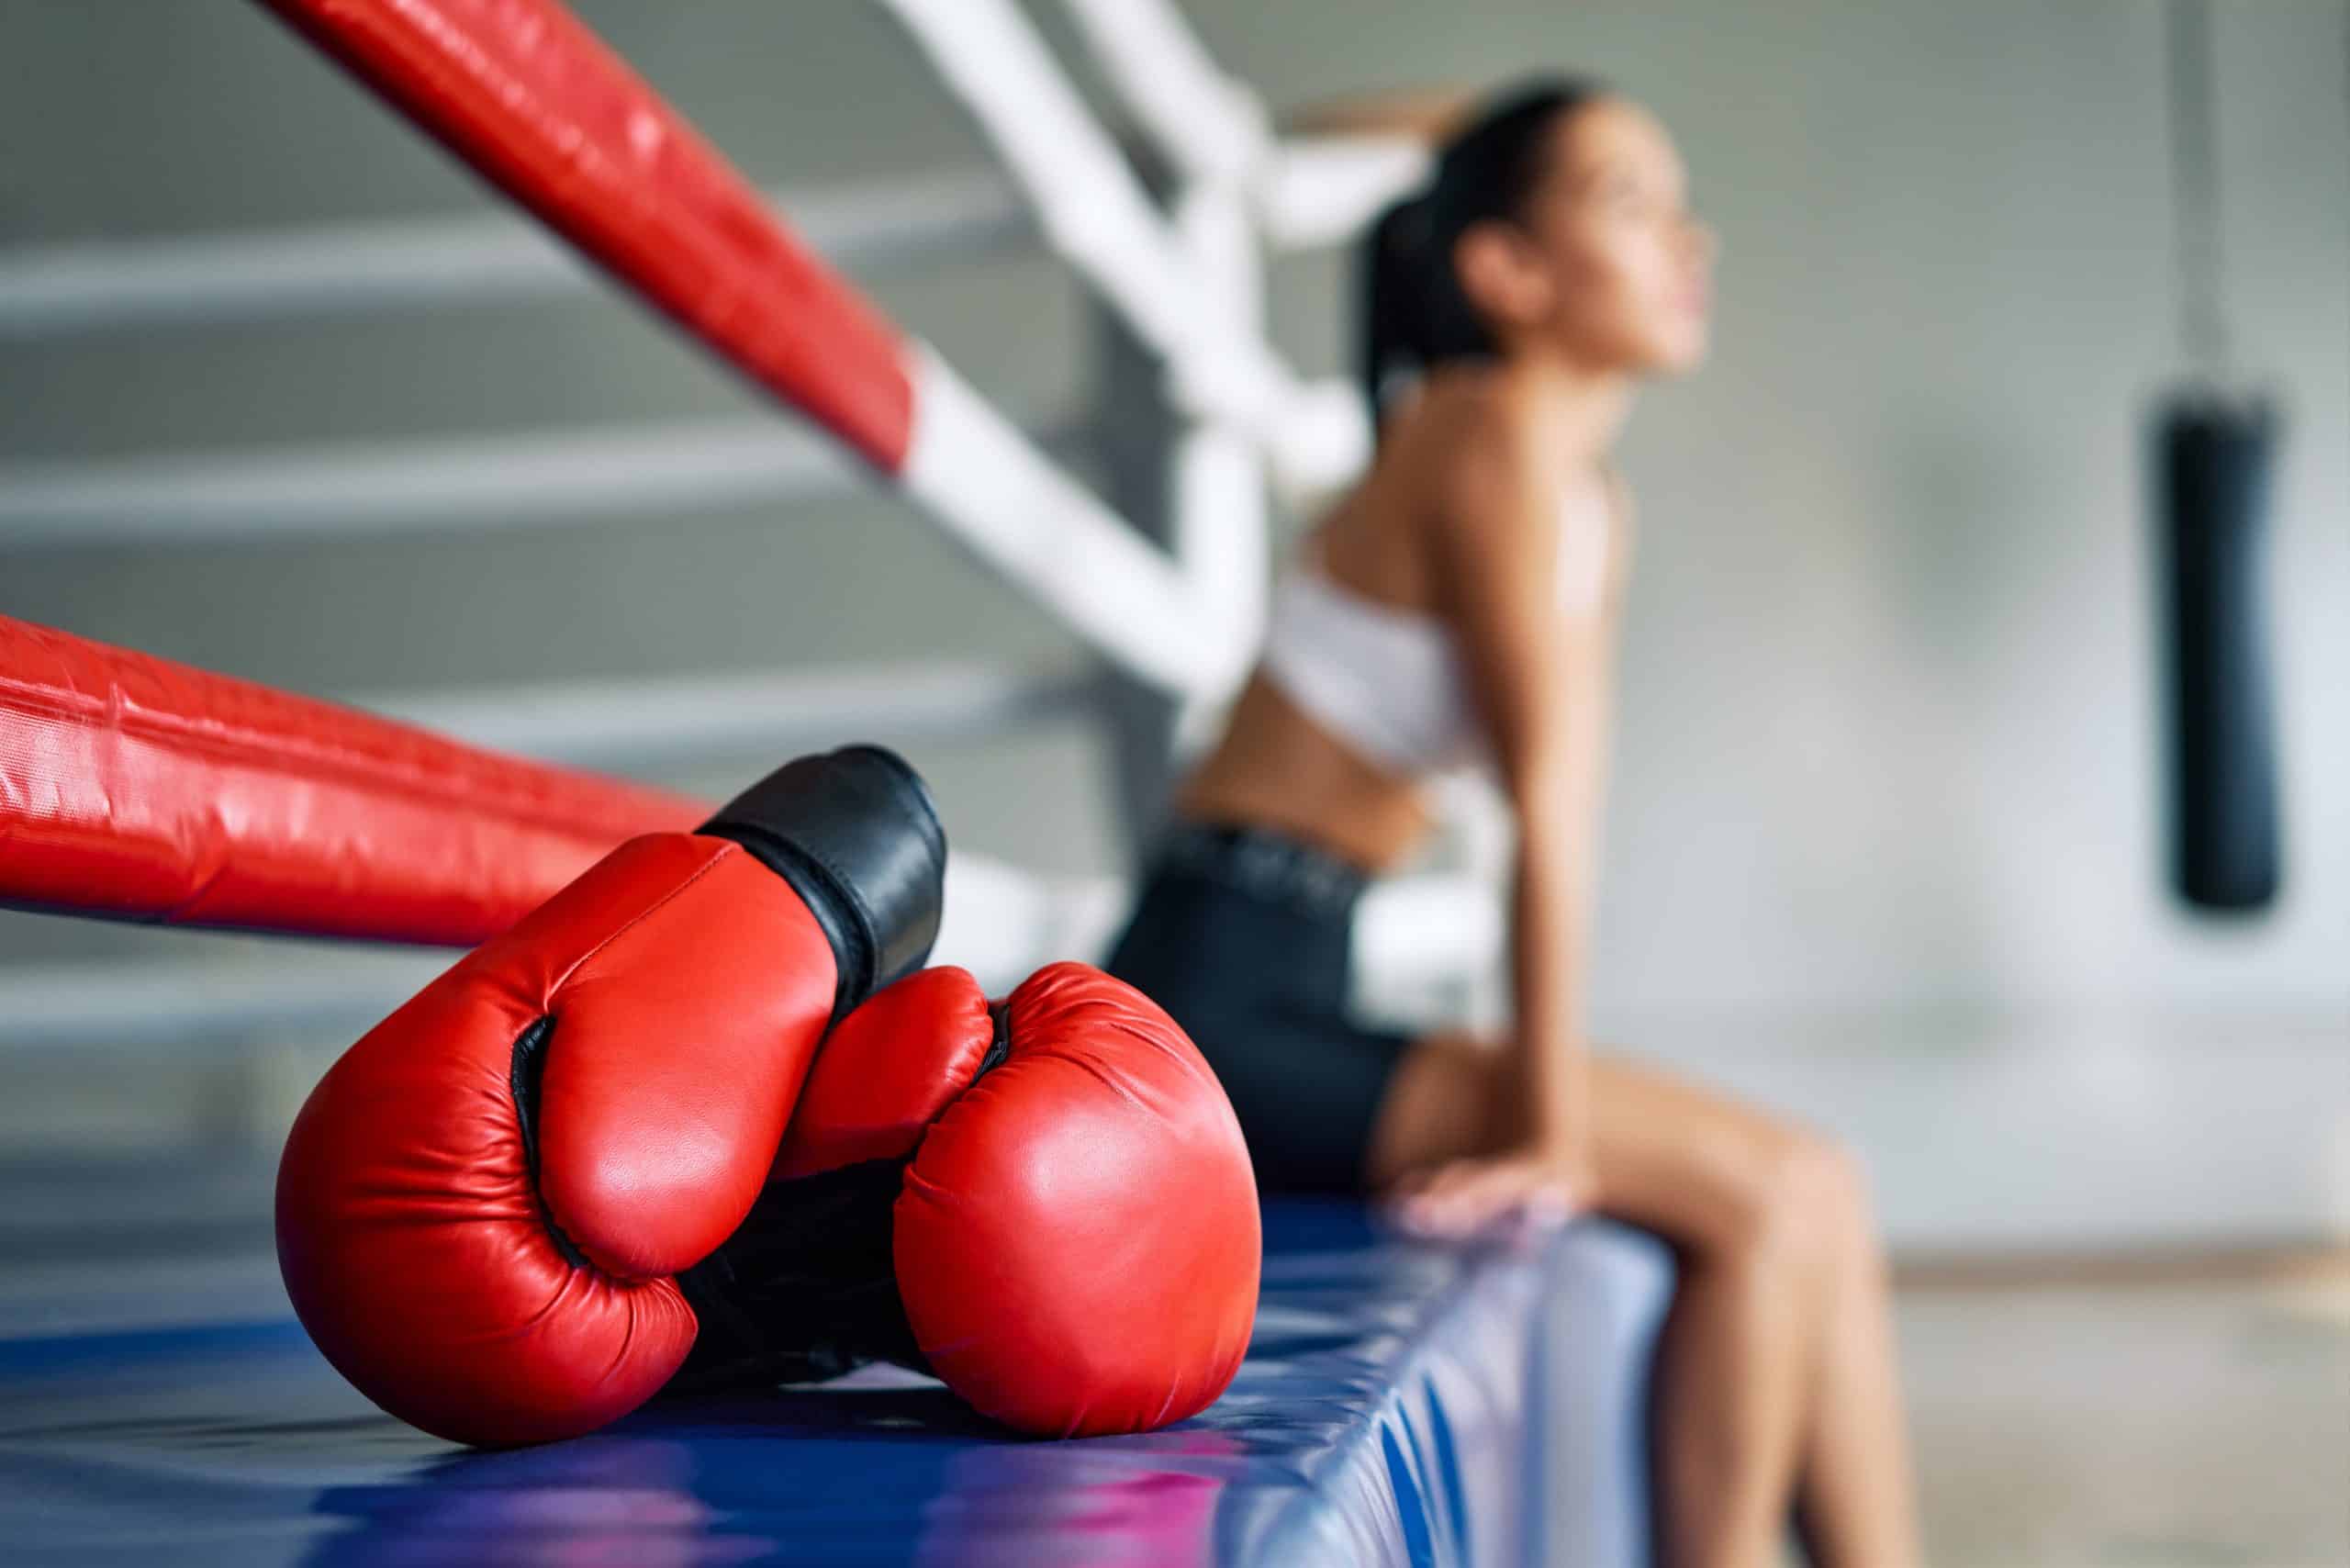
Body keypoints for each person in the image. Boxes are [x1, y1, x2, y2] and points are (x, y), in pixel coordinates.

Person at [1103, 78, 1925, 1568]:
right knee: (1783, 1189)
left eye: (1682, 202)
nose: (1690, 240)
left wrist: (1552, 1125)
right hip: (1209, 1007)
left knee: (1810, 1188)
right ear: (1505, 272)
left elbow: (1561, 796)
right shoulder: (1479, 434)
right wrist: (1547, 1135)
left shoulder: (1579, 486)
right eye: (1628, 202)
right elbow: (1548, 807)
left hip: (1296, 972)